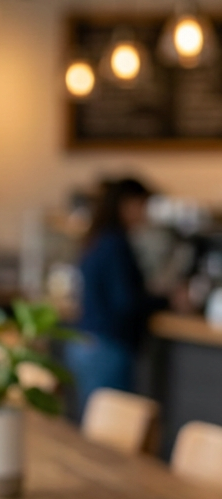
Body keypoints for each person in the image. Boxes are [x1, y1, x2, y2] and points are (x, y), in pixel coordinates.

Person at [66, 177, 166, 416]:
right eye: (143, 205)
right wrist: (167, 301)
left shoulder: (97, 238)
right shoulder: (115, 244)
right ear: (128, 204)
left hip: (86, 341)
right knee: (107, 429)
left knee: (95, 423)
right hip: (107, 345)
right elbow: (125, 301)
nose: (146, 213)